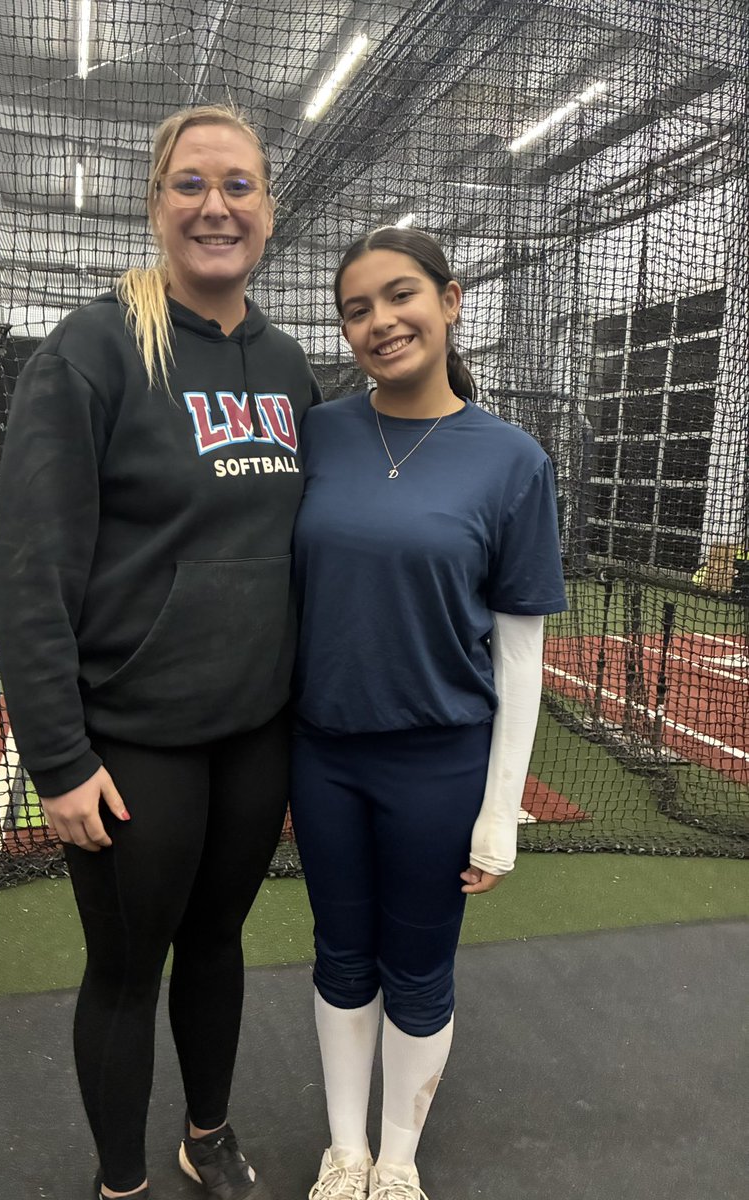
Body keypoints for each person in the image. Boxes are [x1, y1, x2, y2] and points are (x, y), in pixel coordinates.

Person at [0, 104, 320, 1200]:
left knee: (219, 943)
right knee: (130, 971)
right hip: (134, 745)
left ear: (270, 212)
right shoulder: (93, 349)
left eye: (239, 186)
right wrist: (58, 756)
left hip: (253, 733)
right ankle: (122, 1180)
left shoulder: (286, 366)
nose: (215, 205)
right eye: (190, 184)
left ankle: (207, 1137)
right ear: (156, 202)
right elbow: (32, 567)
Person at [289, 226, 567, 1200]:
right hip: (322, 758)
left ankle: (397, 1161)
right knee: (339, 956)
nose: (379, 322)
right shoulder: (316, 432)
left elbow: (521, 654)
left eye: (399, 296)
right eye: (356, 308)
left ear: (450, 301)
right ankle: (344, 1151)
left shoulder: (512, 462)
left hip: (440, 766)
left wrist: (502, 810)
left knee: (418, 968)